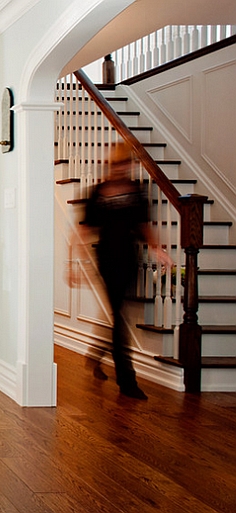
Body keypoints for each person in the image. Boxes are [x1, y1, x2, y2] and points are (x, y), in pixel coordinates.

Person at [78, 143, 173, 400]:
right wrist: (74, 264)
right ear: (111, 165)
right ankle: (126, 380)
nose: (122, 168)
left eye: (125, 164)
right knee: (119, 315)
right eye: (117, 164)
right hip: (106, 258)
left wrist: (157, 249)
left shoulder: (137, 192)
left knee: (118, 313)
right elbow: (85, 229)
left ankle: (96, 354)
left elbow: (144, 225)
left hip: (129, 259)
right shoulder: (98, 192)